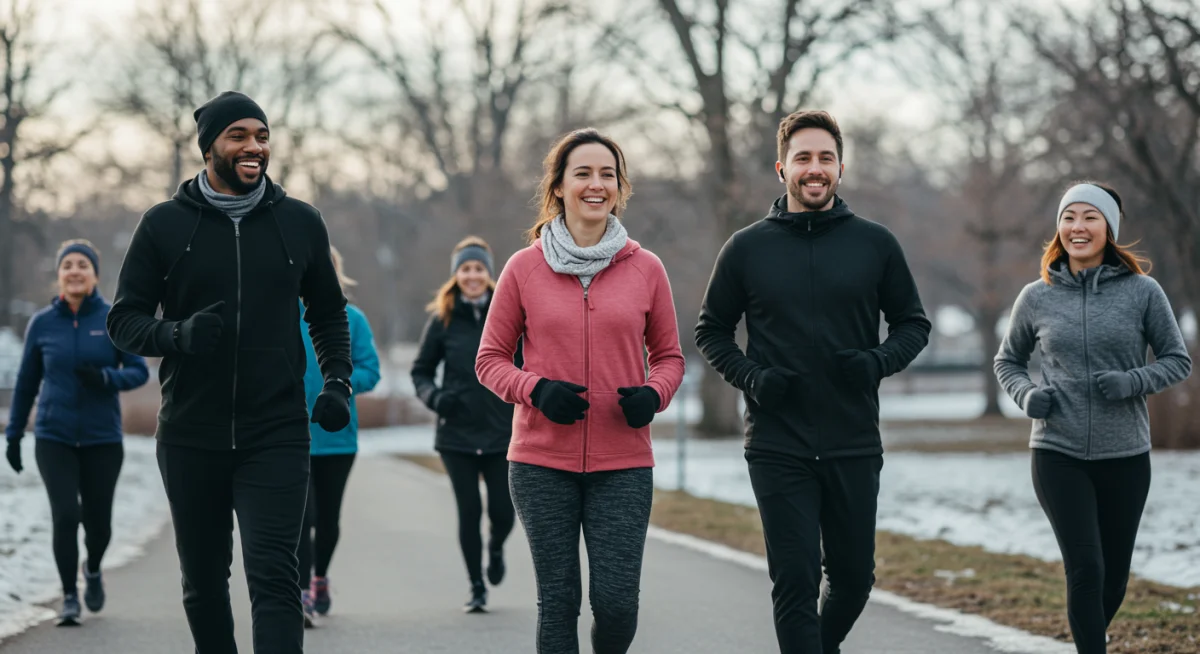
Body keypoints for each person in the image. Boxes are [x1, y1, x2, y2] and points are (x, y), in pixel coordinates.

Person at [106, 91, 353, 654]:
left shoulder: (300, 222)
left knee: (276, 579)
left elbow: (328, 312)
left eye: (262, 136)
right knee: (203, 584)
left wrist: (337, 381)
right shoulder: (164, 225)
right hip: (191, 432)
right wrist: (176, 335)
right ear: (209, 147)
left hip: (277, 430)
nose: (254, 147)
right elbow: (123, 321)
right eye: (238, 135)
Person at [694, 110, 931, 654]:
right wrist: (753, 378)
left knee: (853, 579)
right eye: (803, 158)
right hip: (777, 443)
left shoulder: (875, 244)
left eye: (826, 158)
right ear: (782, 168)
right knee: (795, 582)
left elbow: (913, 324)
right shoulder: (746, 247)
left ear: (841, 168)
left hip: (854, 439)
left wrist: (876, 362)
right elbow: (711, 331)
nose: (815, 168)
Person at [476, 128, 685, 653]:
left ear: (620, 187)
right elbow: (489, 360)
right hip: (540, 462)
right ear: (559, 187)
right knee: (558, 601)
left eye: (607, 175)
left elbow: (669, 358)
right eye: (583, 173)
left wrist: (654, 394)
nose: (596, 184)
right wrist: (535, 389)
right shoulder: (523, 268)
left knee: (617, 605)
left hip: (624, 463)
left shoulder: (647, 268)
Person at [994, 181, 1191, 654]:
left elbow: (1177, 360)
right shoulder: (1036, 296)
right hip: (1057, 452)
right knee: (1086, 569)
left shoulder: (1143, 292)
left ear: (1109, 229)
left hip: (1125, 453)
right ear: (1059, 228)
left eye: (1089, 217)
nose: (1077, 227)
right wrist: (1025, 395)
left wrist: (1133, 381)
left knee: (1114, 577)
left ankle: (1090, 638)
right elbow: (1008, 361)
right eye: (1069, 217)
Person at [4, 239, 149, 626]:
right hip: (54, 436)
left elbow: (139, 371)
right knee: (66, 515)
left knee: (99, 523)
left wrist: (106, 378)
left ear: (95, 275)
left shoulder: (112, 319)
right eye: (67, 265)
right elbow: (26, 382)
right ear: (59, 275)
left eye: (83, 265)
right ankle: (69, 595)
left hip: (103, 438)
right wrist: (14, 435)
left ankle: (94, 568)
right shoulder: (41, 324)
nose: (74, 271)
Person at [411, 236, 516, 614]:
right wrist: (435, 398)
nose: (473, 276)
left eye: (479, 268)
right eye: (466, 269)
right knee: (468, 511)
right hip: (455, 434)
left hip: (502, 432)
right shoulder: (442, 319)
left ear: (489, 273)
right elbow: (421, 371)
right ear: (456, 275)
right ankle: (476, 586)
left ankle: (497, 546)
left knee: (503, 511)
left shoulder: (509, 314)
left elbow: (528, 364)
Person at [296, 246, 381, 626]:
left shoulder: (352, 319)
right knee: (302, 516)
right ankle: (300, 592)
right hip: (290, 435)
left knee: (327, 518)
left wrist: (341, 385)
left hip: (337, 436)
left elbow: (370, 371)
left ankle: (320, 577)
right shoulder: (282, 315)